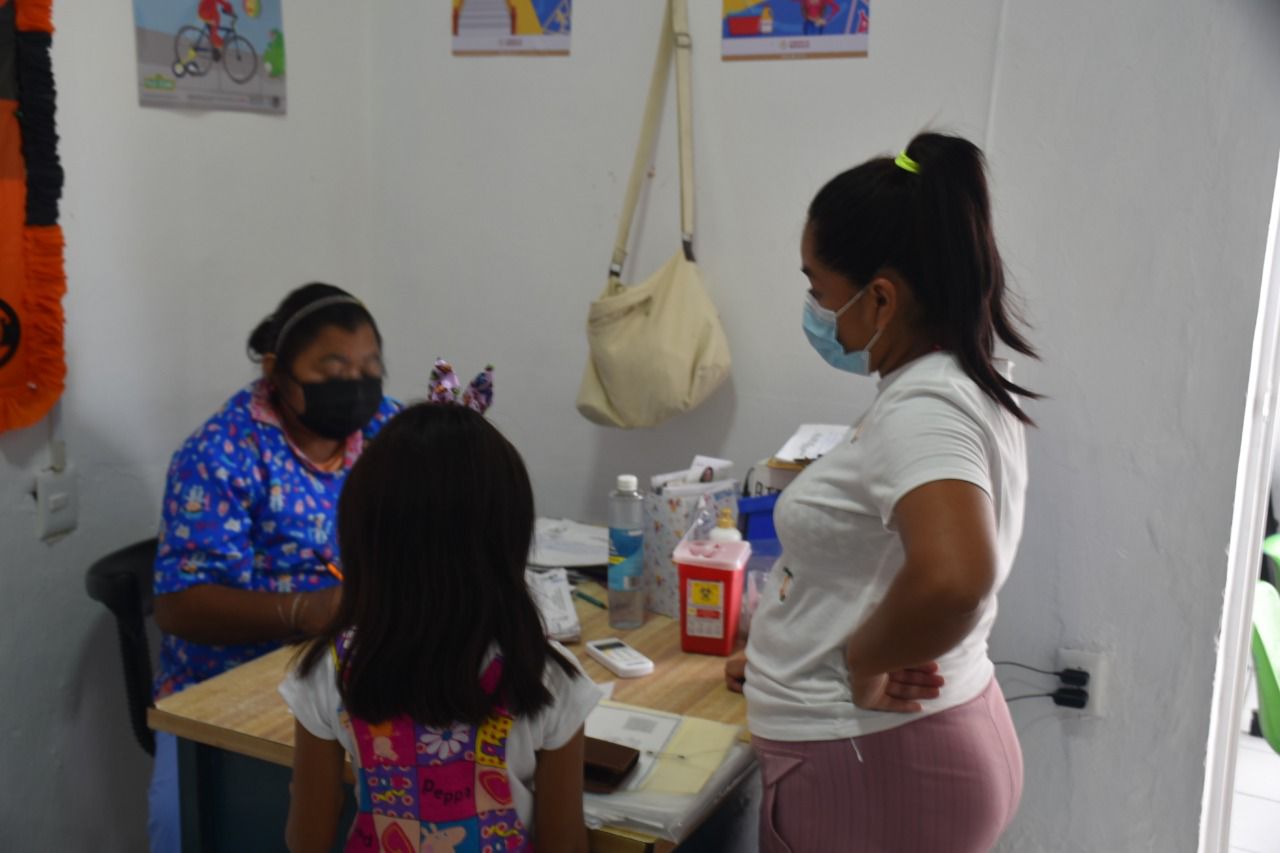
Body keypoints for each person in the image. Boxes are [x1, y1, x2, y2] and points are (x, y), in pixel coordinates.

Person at [726, 132, 1037, 852]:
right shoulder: (957, 381)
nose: (813, 305)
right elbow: (881, 561)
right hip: (901, 745)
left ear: (883, 298)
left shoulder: (925, 409)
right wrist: (784, 654)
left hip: (871, 756)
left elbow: (955, 578)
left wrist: (861, 662)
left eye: (818, 288)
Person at [280, 403, 601, 853]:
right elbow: (564, 845)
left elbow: (305, 841)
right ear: (506, 541)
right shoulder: (544, 677)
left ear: (365, 540)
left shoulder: (331, 669)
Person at [148, 283, 400, 852]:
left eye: (369, 368)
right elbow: (180, 606)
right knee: (185, 828)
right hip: (230, 693)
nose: (356, 385)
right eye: (332, 370)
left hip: (359, 675)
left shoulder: (387, 431)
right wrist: (304, 611)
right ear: (276, 371)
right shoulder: (221, 453)